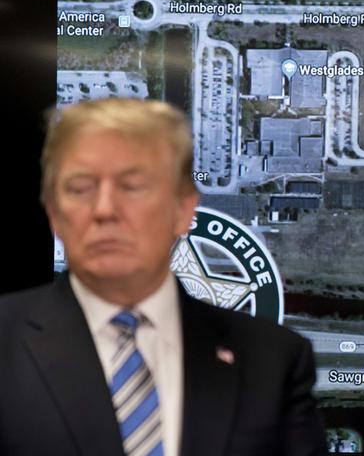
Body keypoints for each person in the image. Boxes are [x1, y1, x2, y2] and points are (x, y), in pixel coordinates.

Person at [0, 98, 328, 456]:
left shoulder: (273, 363)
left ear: (184, 209)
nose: (105, 209)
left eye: (133, 186)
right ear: (54, 212)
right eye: (80, 188)